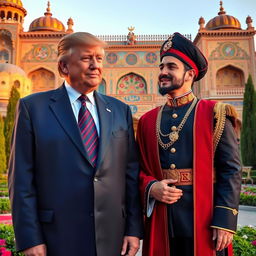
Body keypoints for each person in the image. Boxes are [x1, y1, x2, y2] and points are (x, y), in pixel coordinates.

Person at [8, 32, 143, 256]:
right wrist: (30, 238)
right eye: (86, 58)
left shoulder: (119, 110)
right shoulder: (34, 108)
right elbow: (21, 178)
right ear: (63, 67)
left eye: (99, 59)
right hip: (57, 237)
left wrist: (133, 229)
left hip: (111, 236)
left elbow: (130, 174)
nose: (95, 66)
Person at [137, 32, 241, 256]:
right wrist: (151, 187)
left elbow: (231, 169)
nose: (163, 72)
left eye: (171, 67)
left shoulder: (214, 113)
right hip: (163, 220)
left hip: (204, 220)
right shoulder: (147, 121)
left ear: (190, 74)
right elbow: (137, 169)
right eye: (161, 67)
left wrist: (225, 221)